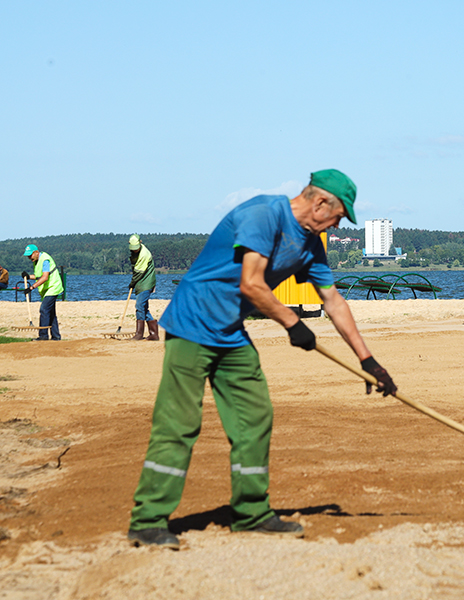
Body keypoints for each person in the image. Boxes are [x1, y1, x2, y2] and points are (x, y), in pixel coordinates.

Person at [128, 169, 397, 550]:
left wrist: (369, 361)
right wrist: (293, 324)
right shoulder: (264, 214)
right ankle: (148, 520)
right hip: (192, 323)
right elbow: (251, 283)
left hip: (231, 332)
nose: (336, 225)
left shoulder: (310, 244)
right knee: (180, 422)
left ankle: (251, 514)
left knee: (255, 415)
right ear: (320, 202)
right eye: (338, 216)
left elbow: (333, 301)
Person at [22, 244, 64, 340]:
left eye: (30, 255)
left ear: (36, 252)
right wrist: (28, 276)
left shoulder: (45, 259)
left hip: (53, 287)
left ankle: (43, 336)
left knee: (44, 309)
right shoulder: (36, 261)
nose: (29, 258)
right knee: (51, 313)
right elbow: (38, 276)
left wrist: (32, 287)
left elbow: (45, 277)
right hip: (47, 289)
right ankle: (56, 337)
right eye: (28, 256)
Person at [128, 234, 158, 340]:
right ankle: (154, 334)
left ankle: (139, 334)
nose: (135, 251)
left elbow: (138, 273)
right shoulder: (136, 252)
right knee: (144, 308)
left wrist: (132, 283)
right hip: (141, 283)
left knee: (139, 306)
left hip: (146, 283)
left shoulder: (144, 254)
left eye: (136, 249)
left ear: (140, 243)